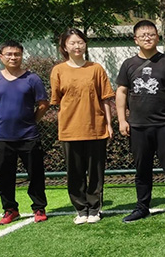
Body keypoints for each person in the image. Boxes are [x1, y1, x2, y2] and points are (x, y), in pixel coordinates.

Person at [116, 20, 165, 222]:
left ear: (158, 37)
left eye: (151, 34)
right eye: (143, 35)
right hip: (138, 126)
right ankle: (142, 206)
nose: (147, 38)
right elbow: (121, 91)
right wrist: (122, 120)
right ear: (135, 39)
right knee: (142, 169)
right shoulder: (128, 64)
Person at [50, 28, 115, 224]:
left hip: (96, 128)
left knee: (96, 172)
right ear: (64, 47)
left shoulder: (96, 69)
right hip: (70, 130)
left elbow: (105, 99)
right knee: (74, 172)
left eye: (80, 42)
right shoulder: (58, 71)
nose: (77, 46)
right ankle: (81, 209)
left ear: (85, 44)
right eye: (72, 43)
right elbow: (57, 101)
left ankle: (95, 209)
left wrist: (109, 124)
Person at [0, 40, 50, 225]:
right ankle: (10, 209)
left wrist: (32, 121)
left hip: (29, 136)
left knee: (35, 174)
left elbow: (43, 104)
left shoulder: (32, 79)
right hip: (1, 137)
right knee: (4, 176)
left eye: (17, 54)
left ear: (22, 56)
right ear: (1, 57)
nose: (13, 57)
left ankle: (39, 208)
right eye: (9, 54)